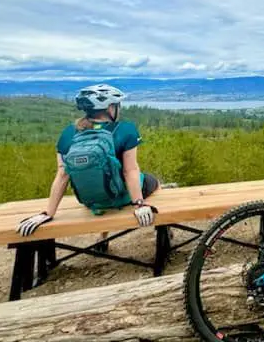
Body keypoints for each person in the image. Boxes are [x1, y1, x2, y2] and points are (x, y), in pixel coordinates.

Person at [16, 83, 159, 237]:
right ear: (110, 107)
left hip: (90, 201)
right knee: (154, 182)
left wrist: (48, 213)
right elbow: (129, 171)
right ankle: (164, 232)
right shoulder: (125, 129)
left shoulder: (69, 132)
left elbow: (62, 175)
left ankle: (103, 236)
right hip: (121, 197)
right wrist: (139, 204)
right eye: (117, 105)